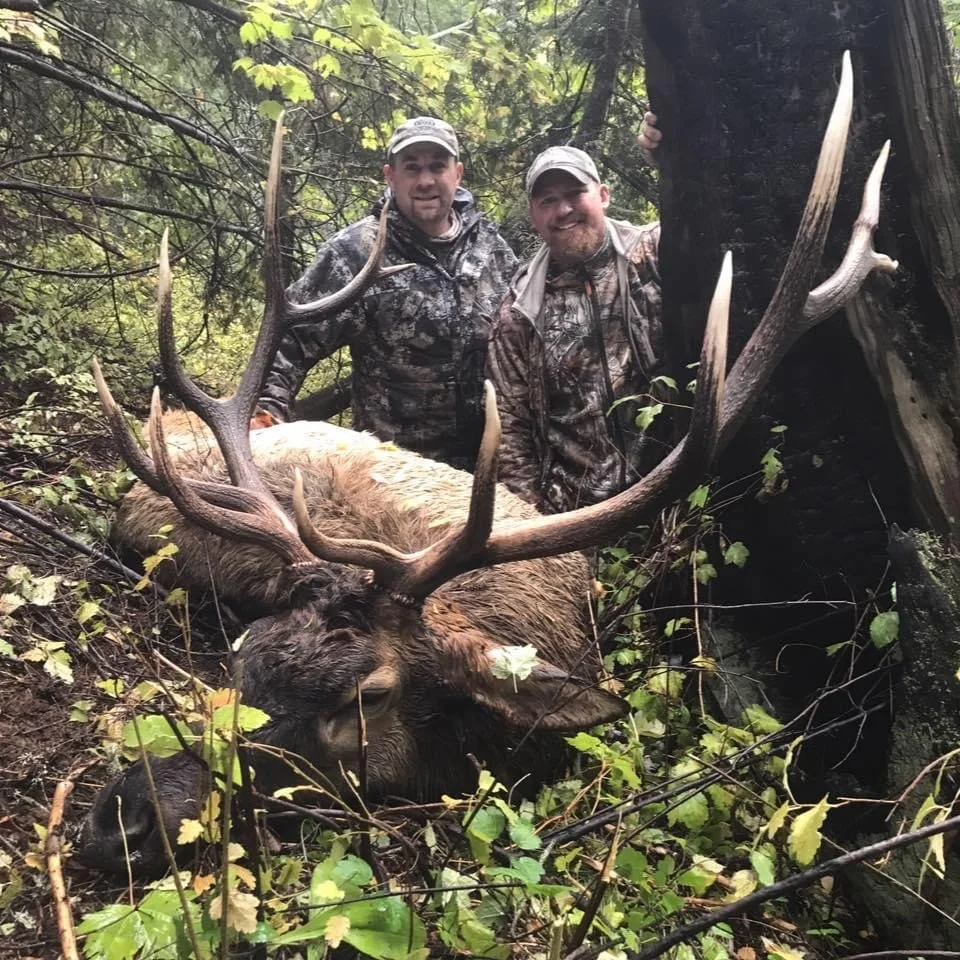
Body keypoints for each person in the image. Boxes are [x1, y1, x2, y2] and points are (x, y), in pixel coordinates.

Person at [256, 116, 518, 471]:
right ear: (390, 176)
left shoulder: (491, 248)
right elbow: (288, 343)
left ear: (457, 174)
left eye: (437, 167)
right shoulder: (354, 253)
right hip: (392, 478)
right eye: (412, 168)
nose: (425, 181)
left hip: (489, 471)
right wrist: (264, 417)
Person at [486, 139, 665, 514]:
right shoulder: (520, 312)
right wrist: (533, 527)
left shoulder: (655, 254)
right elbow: (511, 436)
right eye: (547, 201)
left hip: (673, 496)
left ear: (603, 195)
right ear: (534, 217)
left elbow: (708, 215)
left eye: (574, 193)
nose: (563, 209)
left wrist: (671, 146)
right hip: (579, 521)